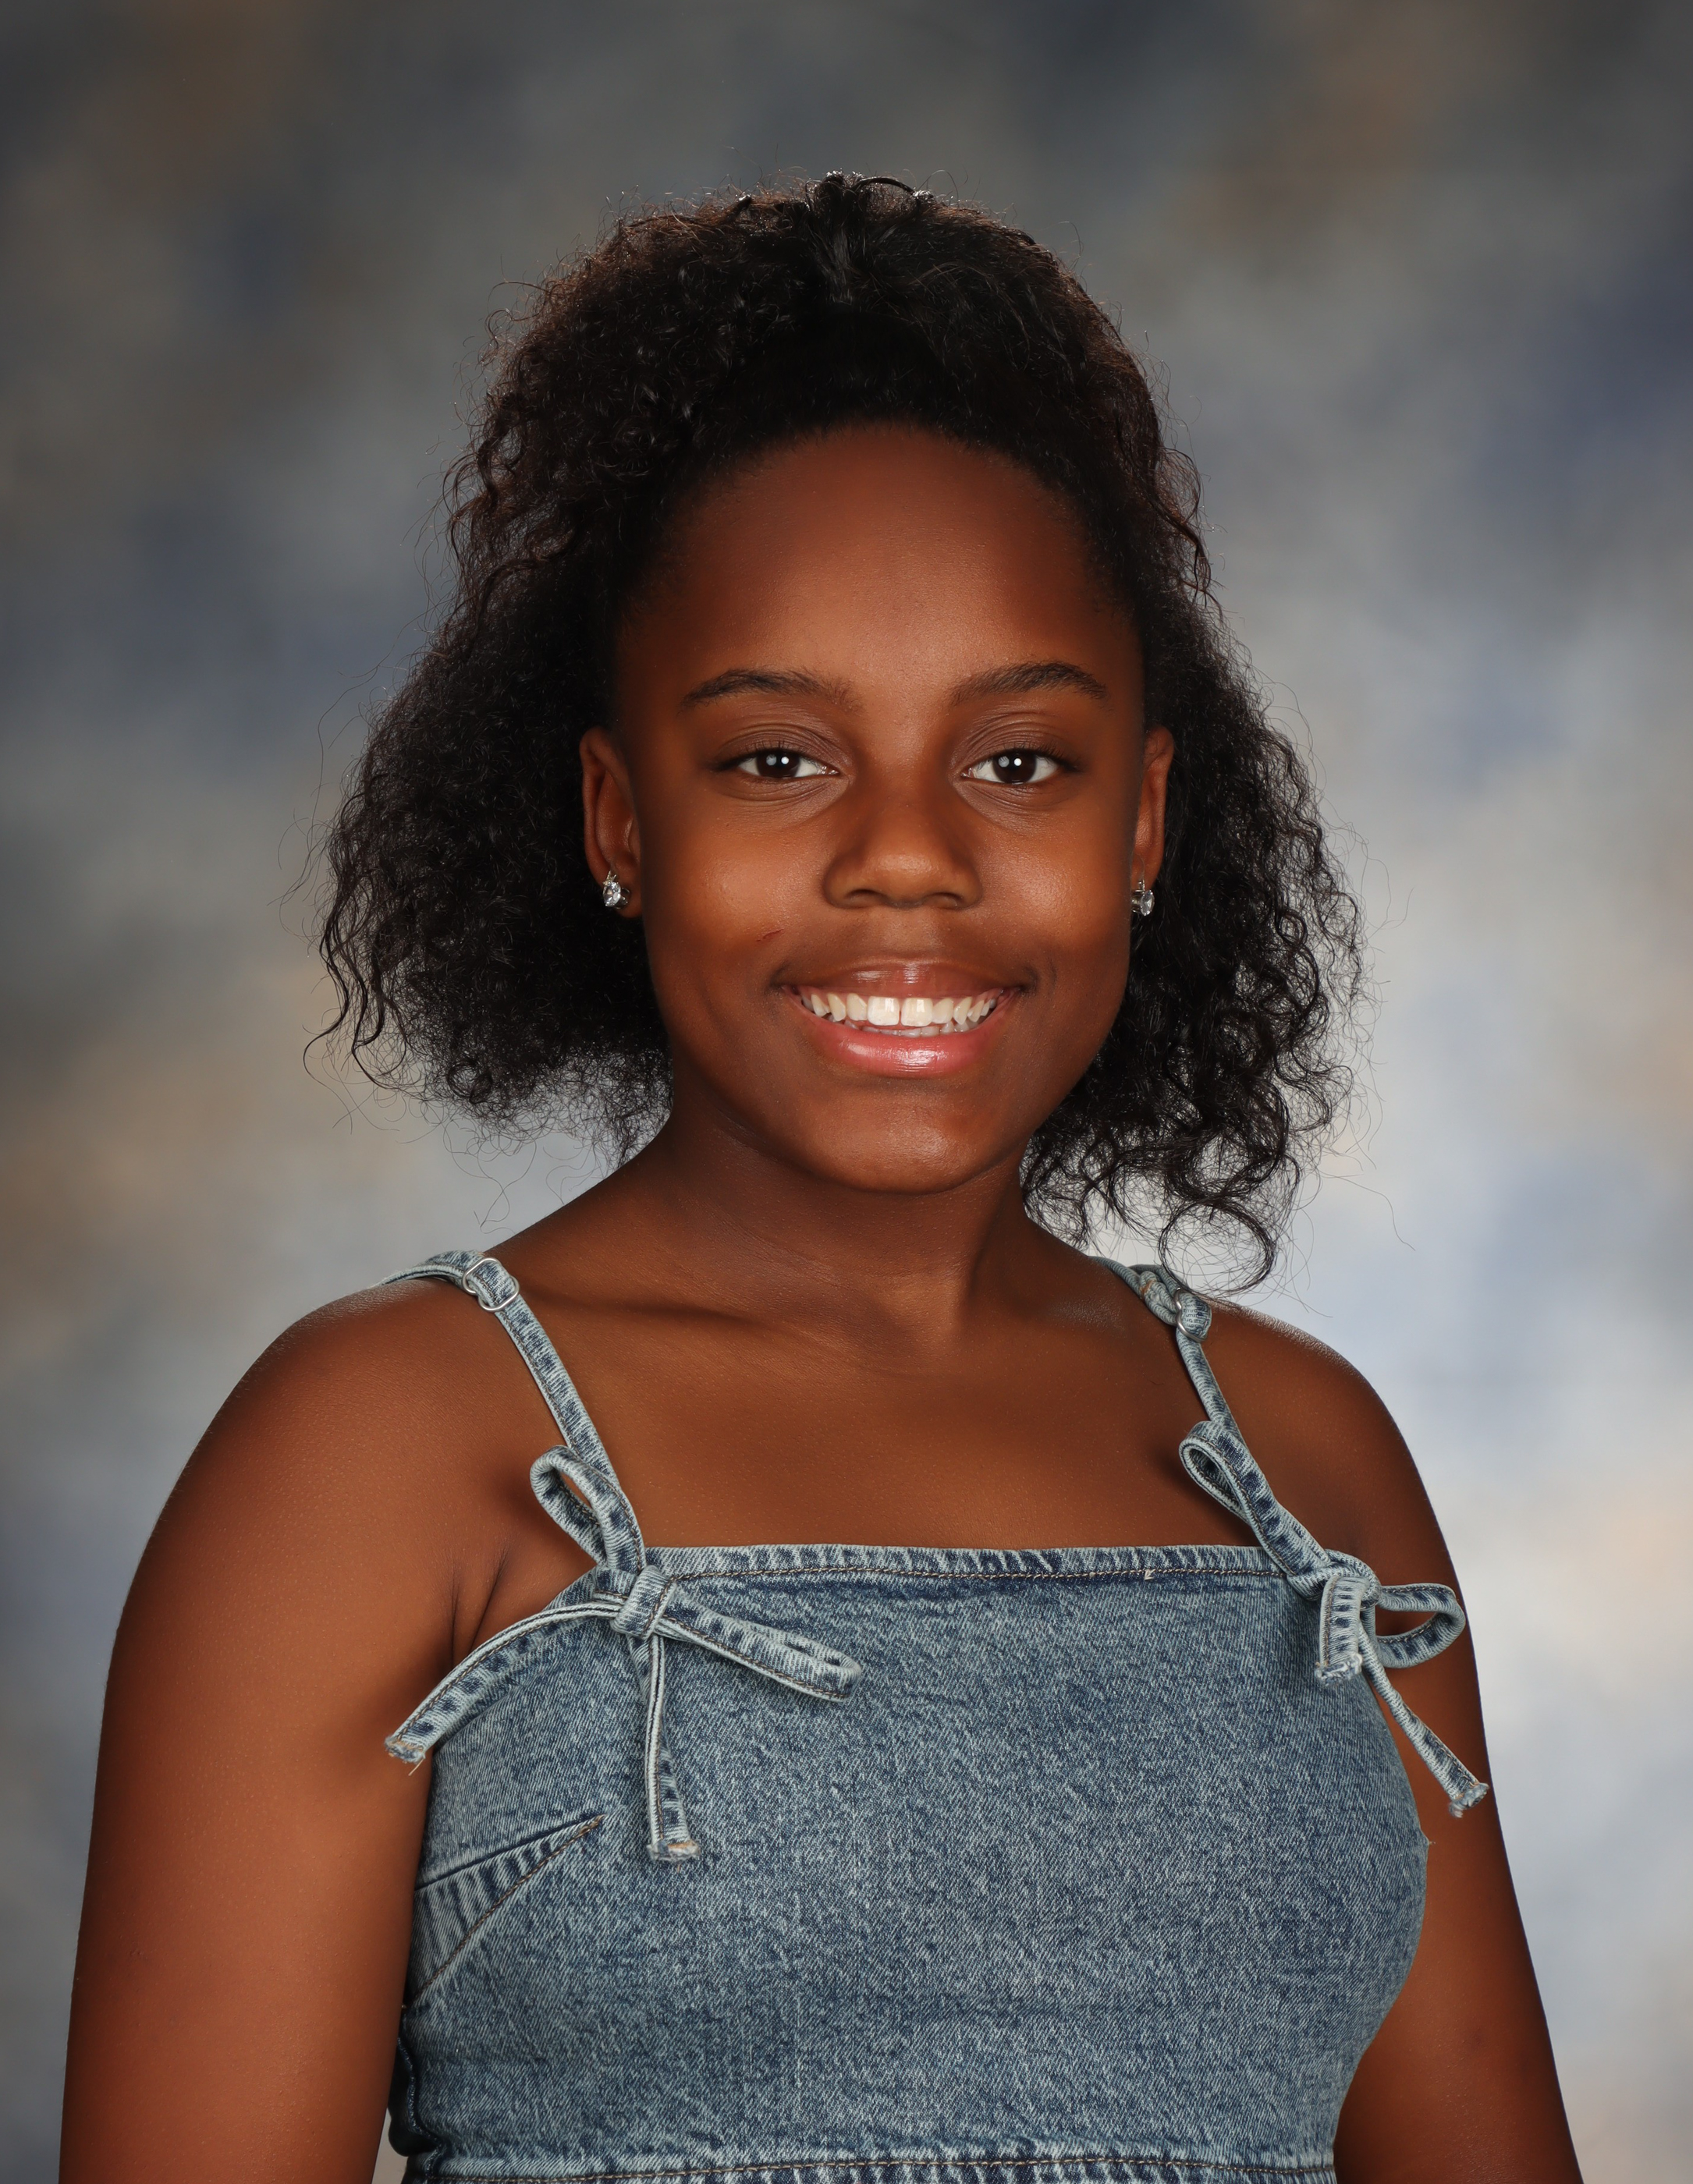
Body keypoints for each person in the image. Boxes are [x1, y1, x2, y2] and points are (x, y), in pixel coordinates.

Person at [62, 175, 1581, 2183]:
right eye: (777, 759)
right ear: (618, 817)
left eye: (1016, 761)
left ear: (1143, 819)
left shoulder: (1311, 1472)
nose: (907, 858)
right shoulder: (377, 1450)